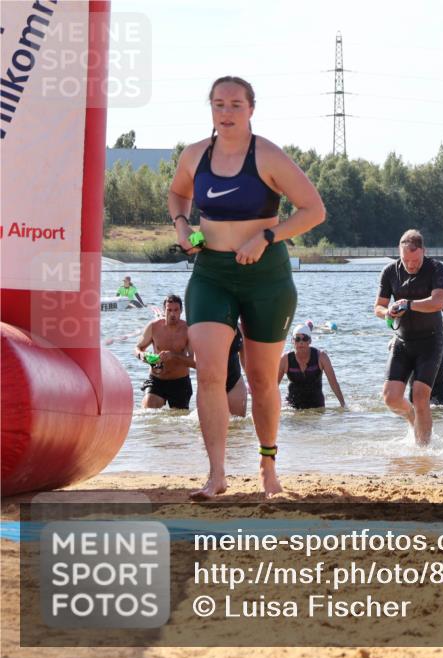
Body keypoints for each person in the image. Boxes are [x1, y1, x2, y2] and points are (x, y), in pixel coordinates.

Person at [168, 75, 326, 499]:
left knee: (260, 380)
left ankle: (268, 466)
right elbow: (177, 195)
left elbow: (314, 210)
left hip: (266, 277)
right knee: (211, 375)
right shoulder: (195, 155)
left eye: (236, 104)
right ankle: (216, 473)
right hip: (211, 275)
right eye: (219, 104)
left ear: (251, 109)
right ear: (211, 109)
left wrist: (269, 236)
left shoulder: (269, 156)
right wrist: (183, 226)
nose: (227, 112)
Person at [376, 230, 443, 444]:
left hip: (430, 342)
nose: (410, 265)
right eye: (405, 260)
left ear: (423, 252)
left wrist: (408, 304)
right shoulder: (390, 271)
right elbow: (378, 307)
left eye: (415, 260)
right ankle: (411, 416)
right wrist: (388, 311)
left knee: (420, 396)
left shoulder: (436, 268)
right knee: (391, 398)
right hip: (403, 341)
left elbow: (438, 302)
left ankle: (423, 451)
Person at [134, 295, 194, 409]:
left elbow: (196, 363)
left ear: (181, 311)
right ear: (164, 310)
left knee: (177, 422)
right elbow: (137, 348)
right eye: (169, 310)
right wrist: (142, 355)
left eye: (176, 310)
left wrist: (174, 356)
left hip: (180, 382)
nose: (172, 314)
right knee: (148, 412)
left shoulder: (188, 330)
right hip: (156, 380)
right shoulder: (153, 327)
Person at [278, 324, 346, 410]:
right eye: (297, 339)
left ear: (310, 341)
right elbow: (273, 385)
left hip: (316, 406)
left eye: (305, 338)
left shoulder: (321, 357)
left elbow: (333, 383)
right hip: (292, 408)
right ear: (292, 341)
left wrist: (343, 404)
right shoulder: (285, 359)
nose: (301, 342)